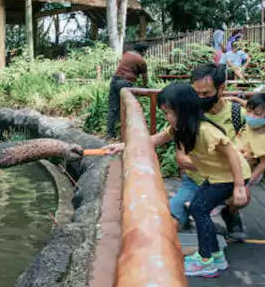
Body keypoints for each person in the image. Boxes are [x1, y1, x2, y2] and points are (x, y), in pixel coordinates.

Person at [104, 64, 248, 239]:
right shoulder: (187, 116)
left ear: (221, 89)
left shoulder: (236, 116)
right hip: (197, 180)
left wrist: (240, 186)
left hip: (226, 179)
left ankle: (228, 215)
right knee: (172, 215)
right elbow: (164, 142)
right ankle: (194, 214)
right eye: (197, 94)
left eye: (206, 94)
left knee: (213, 203)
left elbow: (246, 154)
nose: (200, 98)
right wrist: (123, 146)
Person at [156, 83, 251, 277]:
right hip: (217, 176)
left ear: (183, 110)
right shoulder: (182, 128)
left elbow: (232, 154)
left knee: (198, 208)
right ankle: (216, 256)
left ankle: (205, 260)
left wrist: (239, 187)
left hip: (231, 176)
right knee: (199, 208)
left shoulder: (205, 130)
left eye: (168, 113)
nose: (166, 118)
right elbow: (154, 139)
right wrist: (121, 146)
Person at [106, 42, 149, 139]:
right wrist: (145, 86)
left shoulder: (126, 54)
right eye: (146, 51)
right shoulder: (141, 60)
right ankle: (126, 135)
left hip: (115, 80)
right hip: (125, 82)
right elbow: (145, 76)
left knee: (113, 107)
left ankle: (110, 133)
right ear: (143, 51)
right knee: (128, 108)